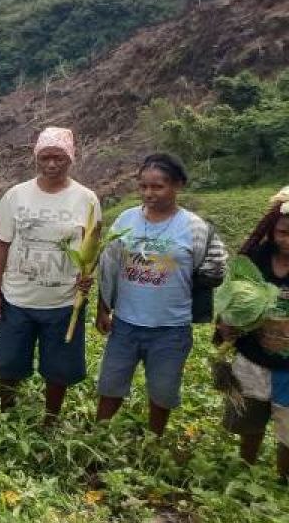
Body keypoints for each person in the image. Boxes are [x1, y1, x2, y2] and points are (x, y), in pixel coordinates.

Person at [95, 153, 227, 435]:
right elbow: (109, 266)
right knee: (110, 386)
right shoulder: (126, 220)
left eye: (158, 187)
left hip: (171, 329)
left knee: (163, 392)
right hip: (125, 325)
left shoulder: (195, 228)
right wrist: (102, 308)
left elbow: (215, 272)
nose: (148, 193)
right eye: (143, 186)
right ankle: (99, 436)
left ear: (177, 185)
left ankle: (155, 440)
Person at [0, 127, 101, 421]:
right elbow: (1, 244)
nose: (51, 164)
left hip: (63, 301)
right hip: (17, 298)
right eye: (45, 157)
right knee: (8, 363)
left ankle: (51, 417)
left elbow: (93, 246)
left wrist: (88, 275)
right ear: (36, 158)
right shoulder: (17, 195)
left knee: (58, 368)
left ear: (71, 159)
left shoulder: (86, 199)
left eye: (59, 158)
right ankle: (5, 413)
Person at [218, 193, 289, 482]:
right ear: (273, 231)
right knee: (251, 418)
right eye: (284, 233)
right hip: (253, 356)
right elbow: (230, 294)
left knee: (288, 427)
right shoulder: (257, 258)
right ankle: (245, 468)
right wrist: (225, 324)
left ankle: (284, 477)